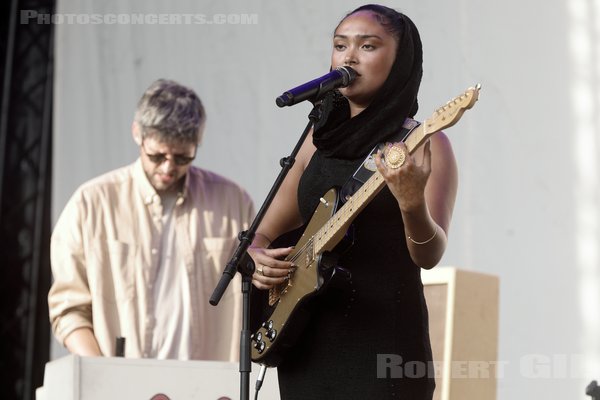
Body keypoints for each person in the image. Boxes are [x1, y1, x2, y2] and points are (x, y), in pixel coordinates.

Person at [249, 5, 457, 399]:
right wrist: (257, 255)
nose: (349, 56)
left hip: (385, 349)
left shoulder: (425, 144)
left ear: (400, 62)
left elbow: (429, 255)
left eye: (368, 46)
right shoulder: (317, 137)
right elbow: (262, 230)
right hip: (306, 342)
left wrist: (412, 204)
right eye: (340, 45)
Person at [49, 79, 255, 361]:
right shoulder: (91, 203)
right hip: (118, 386)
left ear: (198, 143)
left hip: (209, 383)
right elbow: (68, 309)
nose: (168, 168)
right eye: (157, 156)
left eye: (183, 157)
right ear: (137, 133)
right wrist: (102, 372)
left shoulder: (233, 201)